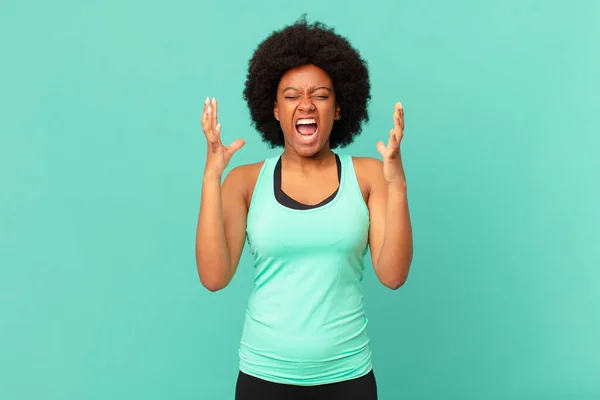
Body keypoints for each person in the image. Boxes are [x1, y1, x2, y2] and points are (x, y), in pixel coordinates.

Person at [195, 16, 413, 400]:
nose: (306, 105)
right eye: (291, 96)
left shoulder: (369, 176)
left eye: (321, 95)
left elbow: (393, 276)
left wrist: (397, 185)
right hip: (263, 378)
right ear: (275, 109)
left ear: (340, 108)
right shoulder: (245, 182)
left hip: (348, 378)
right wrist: (211, 179)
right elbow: (214, 278)